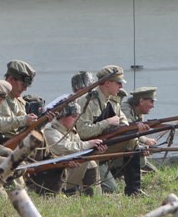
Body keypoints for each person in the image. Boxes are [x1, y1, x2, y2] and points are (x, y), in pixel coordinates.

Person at [76, 65, 147, 196]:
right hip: (88, 150)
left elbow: (124, 125)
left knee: (133, 141)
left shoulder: (113, 102)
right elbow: (82, 132)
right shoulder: (87, 101)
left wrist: (135, 128)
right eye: (118, 83)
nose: (121, 87)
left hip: (106, 145)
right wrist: (106, 123)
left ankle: (134, 190)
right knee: (110, 189)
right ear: (107, 83)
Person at [31, 101, 107, 196]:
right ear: (63, 116)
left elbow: (78, 149)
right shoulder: (50, 130)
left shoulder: (70, 130)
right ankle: (71, 194)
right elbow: (63, 147)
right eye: (74, 116)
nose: (76, 120)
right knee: (87, 162)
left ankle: (94, 196)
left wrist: (95, 151)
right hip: (53, 174)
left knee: (90, 162)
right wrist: (89, 144)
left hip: (68, 168)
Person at [0, 60, 39, 157]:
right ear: (11, 79)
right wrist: (23, 120)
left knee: (39, 148)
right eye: (23, 85)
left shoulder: (19, 101)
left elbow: (22, 129)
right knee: (9, 154)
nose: (25, 89)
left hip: (14, 142)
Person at [121, 87, 159, 173]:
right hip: (116, 151)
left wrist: (144, 146)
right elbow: (127, 130)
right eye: (151, 101)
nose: (153, 106)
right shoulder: (125, 109)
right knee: (141, 160)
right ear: (141, 101)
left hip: (127, 147)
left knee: (154, 173)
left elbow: (136, 134)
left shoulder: (139, 113)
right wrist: (145, 141)